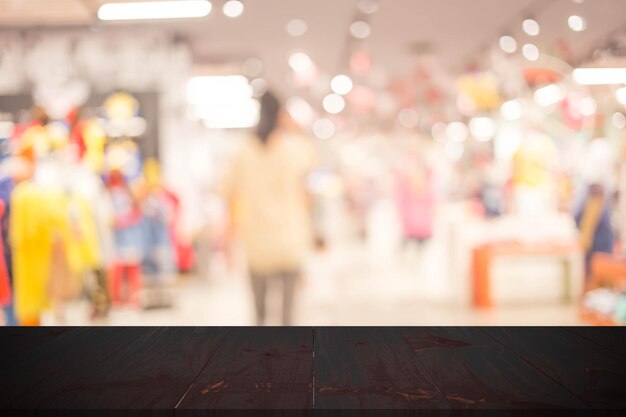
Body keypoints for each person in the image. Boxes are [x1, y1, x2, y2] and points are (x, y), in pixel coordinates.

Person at [222, 90, 315, 326]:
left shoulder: (243, 150)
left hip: (256, 242)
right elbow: (307, 191)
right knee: (288, 318)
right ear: (280, 115)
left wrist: (228, 237)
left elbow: (229, 194)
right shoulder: (293, 148)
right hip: (289, 241)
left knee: (259, 315)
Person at [574, 182, 614, 278]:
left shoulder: (599, 206)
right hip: (597, 253)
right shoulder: (595, 205)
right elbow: (586, 233)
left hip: (599, 252)